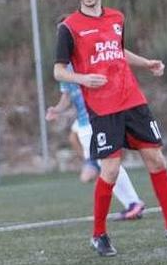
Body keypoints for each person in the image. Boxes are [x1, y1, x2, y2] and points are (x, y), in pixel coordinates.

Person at [53, 0, 167, 256]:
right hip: (102, 107)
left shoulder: (117, 17)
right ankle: (99, 235)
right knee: (111, 168)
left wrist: (147, 63)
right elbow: (58, 71)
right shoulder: (68, 27)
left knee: (156, 159)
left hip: (132, 99)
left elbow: (118, 51)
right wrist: (82, 78)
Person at [46, 77, 145, 220]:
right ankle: (132, 204)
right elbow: (67, 95)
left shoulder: (83, 60)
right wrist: (57, 109)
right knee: (106, 166)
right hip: (83, 126)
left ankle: (133, 203)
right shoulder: (63, 67)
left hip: (96, 120)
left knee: (108, 164)